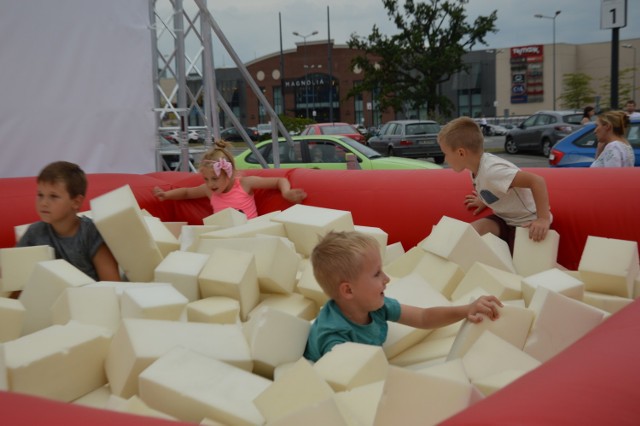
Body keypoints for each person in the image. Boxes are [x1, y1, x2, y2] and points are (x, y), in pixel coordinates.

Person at [303, 231, 502, 362]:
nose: (387, 279)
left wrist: (466, 310)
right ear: (348, 291)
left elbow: (424, 317)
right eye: (377, 274)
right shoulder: (334, 339)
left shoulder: (375, 306)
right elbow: (343, 382)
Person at [437, 117, 552, 251]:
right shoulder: (476, 167)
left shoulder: (493, 171)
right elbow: (496, 189)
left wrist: (543, 219)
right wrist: (483, 200)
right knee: (470, 232)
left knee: (520, 266)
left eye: (446, 154)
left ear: (461, 153)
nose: (445, 159)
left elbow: (537, 181)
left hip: (526, 224)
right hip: (505, 220)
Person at [16, 161, 120, 282]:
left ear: (76, 202)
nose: (43, 203)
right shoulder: (34, 233)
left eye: (53, 196)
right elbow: (13, 274)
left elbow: (112, 283)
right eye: (40, 195)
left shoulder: (90, 233)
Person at [153, 139, 307, 218]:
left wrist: (286, 193)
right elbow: (186, 193)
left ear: (229, 172)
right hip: (225, 238)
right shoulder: (209, 190)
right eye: (206, 179)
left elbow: (279, 180)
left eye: (214, 179)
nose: (210, 184)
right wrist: (166, 195)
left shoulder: (245, 184)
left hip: (251, 237)